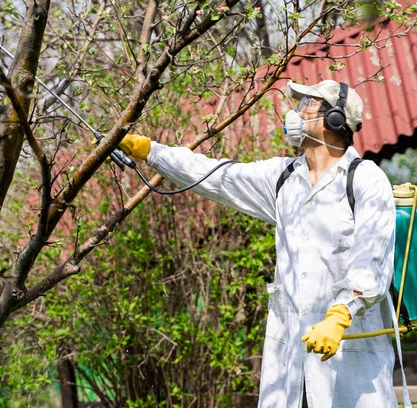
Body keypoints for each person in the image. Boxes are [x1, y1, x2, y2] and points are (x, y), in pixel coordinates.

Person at [119, 80, 399, 407]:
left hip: (350, 356)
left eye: (306, 106)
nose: (295, 113)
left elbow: (372, 261)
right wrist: (148, 150)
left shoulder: (366, 180)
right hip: (291, 366)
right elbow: (214, 174)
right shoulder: (283, 179)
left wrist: (339, 316)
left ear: (333, 120)